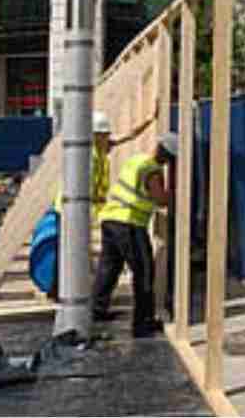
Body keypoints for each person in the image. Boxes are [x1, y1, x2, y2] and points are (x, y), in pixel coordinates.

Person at [46, 110, 155, 300]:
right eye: (104, 135)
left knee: (75, 251)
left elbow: (128, 135)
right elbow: (80, 189)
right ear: (95, 136)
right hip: (69, 209)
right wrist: (101, 201)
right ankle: (60, 293)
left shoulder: (102, 148)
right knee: (68, 252)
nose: (108, 137)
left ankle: (67, 292)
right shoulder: (87, 156)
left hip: (82, 210)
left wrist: (149, 119)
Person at [92, 132, 177, 338]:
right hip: (129, 224)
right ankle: (143, 323)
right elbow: (160, 200)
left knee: (109, 268)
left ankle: (97, 310)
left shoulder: (137, 160)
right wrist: (175, 192)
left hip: (111, 219)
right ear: (168, 157)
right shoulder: (152, 170)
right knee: (144, 271)